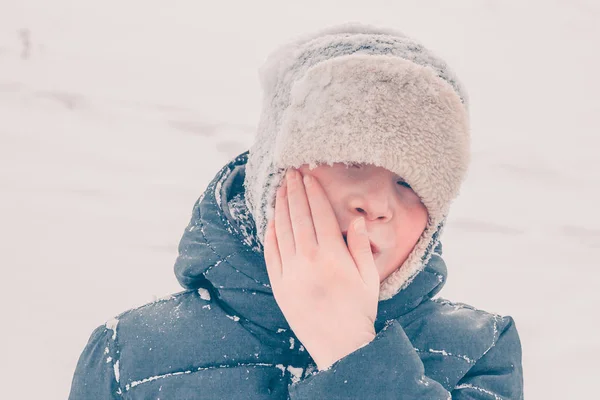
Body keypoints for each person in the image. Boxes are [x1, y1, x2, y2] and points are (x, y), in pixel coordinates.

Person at [69, 22, 524, 399]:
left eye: (410, 182)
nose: (377, 204)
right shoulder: (130, 351)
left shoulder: (478, 350)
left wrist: (353, 352)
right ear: (274, 169)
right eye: (352, 159)